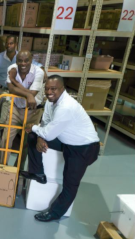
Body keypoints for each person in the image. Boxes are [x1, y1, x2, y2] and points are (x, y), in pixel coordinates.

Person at [21, 75, 100, 222]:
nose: (49, 92)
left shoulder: (66, 107)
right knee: (33, 136)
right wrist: (40, 137)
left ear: (62, 89)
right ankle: (38, 173)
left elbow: (49, 133)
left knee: (70, 183)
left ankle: (54, 213)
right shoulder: (51, 102)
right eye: (47, 89)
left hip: (84, 148)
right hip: (67, 141)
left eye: (53, 89)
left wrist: (34, 128)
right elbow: (45, 123)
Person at [0, 36, 44, 154]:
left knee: (4, 120)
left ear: (15, 44)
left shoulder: (22, 56)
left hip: (16, 95)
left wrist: (43, 73)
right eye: (7, 43)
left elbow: (39, 66)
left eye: (11, 43)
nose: (8, 45)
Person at [0, 50, 44, 169]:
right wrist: (28, 95)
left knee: (25, 143)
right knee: (6, 139)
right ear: (16, 60)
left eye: (26, 60)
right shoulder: (12, 68)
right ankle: (3, 169)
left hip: (33, 111)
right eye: (20, 60)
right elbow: (12, 90)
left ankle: (18, 168)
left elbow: (33, 93)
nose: (23, 63)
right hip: (15, 108)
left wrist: (14, 80)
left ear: (31, 60)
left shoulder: (39, 72)